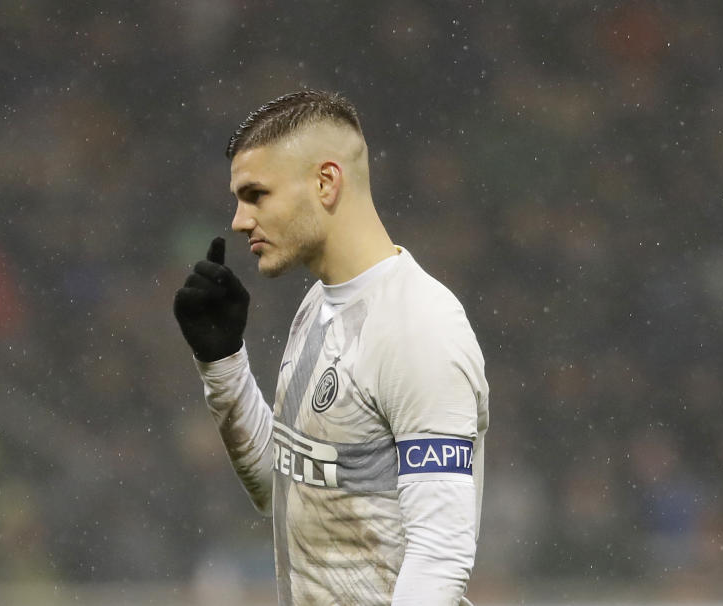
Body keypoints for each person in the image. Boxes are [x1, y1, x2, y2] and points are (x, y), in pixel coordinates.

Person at [174, 90, 489, 605]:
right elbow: (282, 490)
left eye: (256, 195)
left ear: (325, 182)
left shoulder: (418, 326)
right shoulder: (319, 306)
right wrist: (223, 362)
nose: (239, 219)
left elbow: (440, 555)